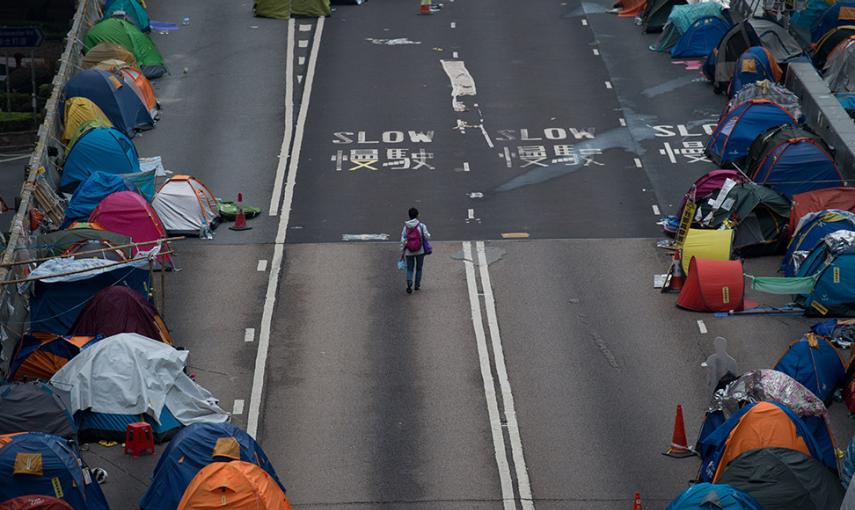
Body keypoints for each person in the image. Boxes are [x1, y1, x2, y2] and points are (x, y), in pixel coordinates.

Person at [401, 207, 431, 294]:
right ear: (417, 215)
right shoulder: (421, 226)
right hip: (420, 250)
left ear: (409, 215)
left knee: (410, 269)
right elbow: (427, 236)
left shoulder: (406, 227)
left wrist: (403, 250)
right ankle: (417, 285)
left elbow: (403, 239)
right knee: (419, 268)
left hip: (409, 251)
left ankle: (409, 283)